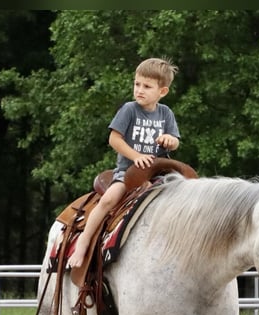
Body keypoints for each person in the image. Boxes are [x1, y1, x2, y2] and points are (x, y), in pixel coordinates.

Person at [67, 57, 181, 269]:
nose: (139, 90)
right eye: (137, 84)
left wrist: (170, 140)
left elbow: (174, 142)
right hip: (128, 173)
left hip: (158, 174)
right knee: (109, 199)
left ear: (162, 92)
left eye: (147, 86)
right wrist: (136, 156)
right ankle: (83, 242)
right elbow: (114, 139)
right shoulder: (129, 109)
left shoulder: (166, 113)